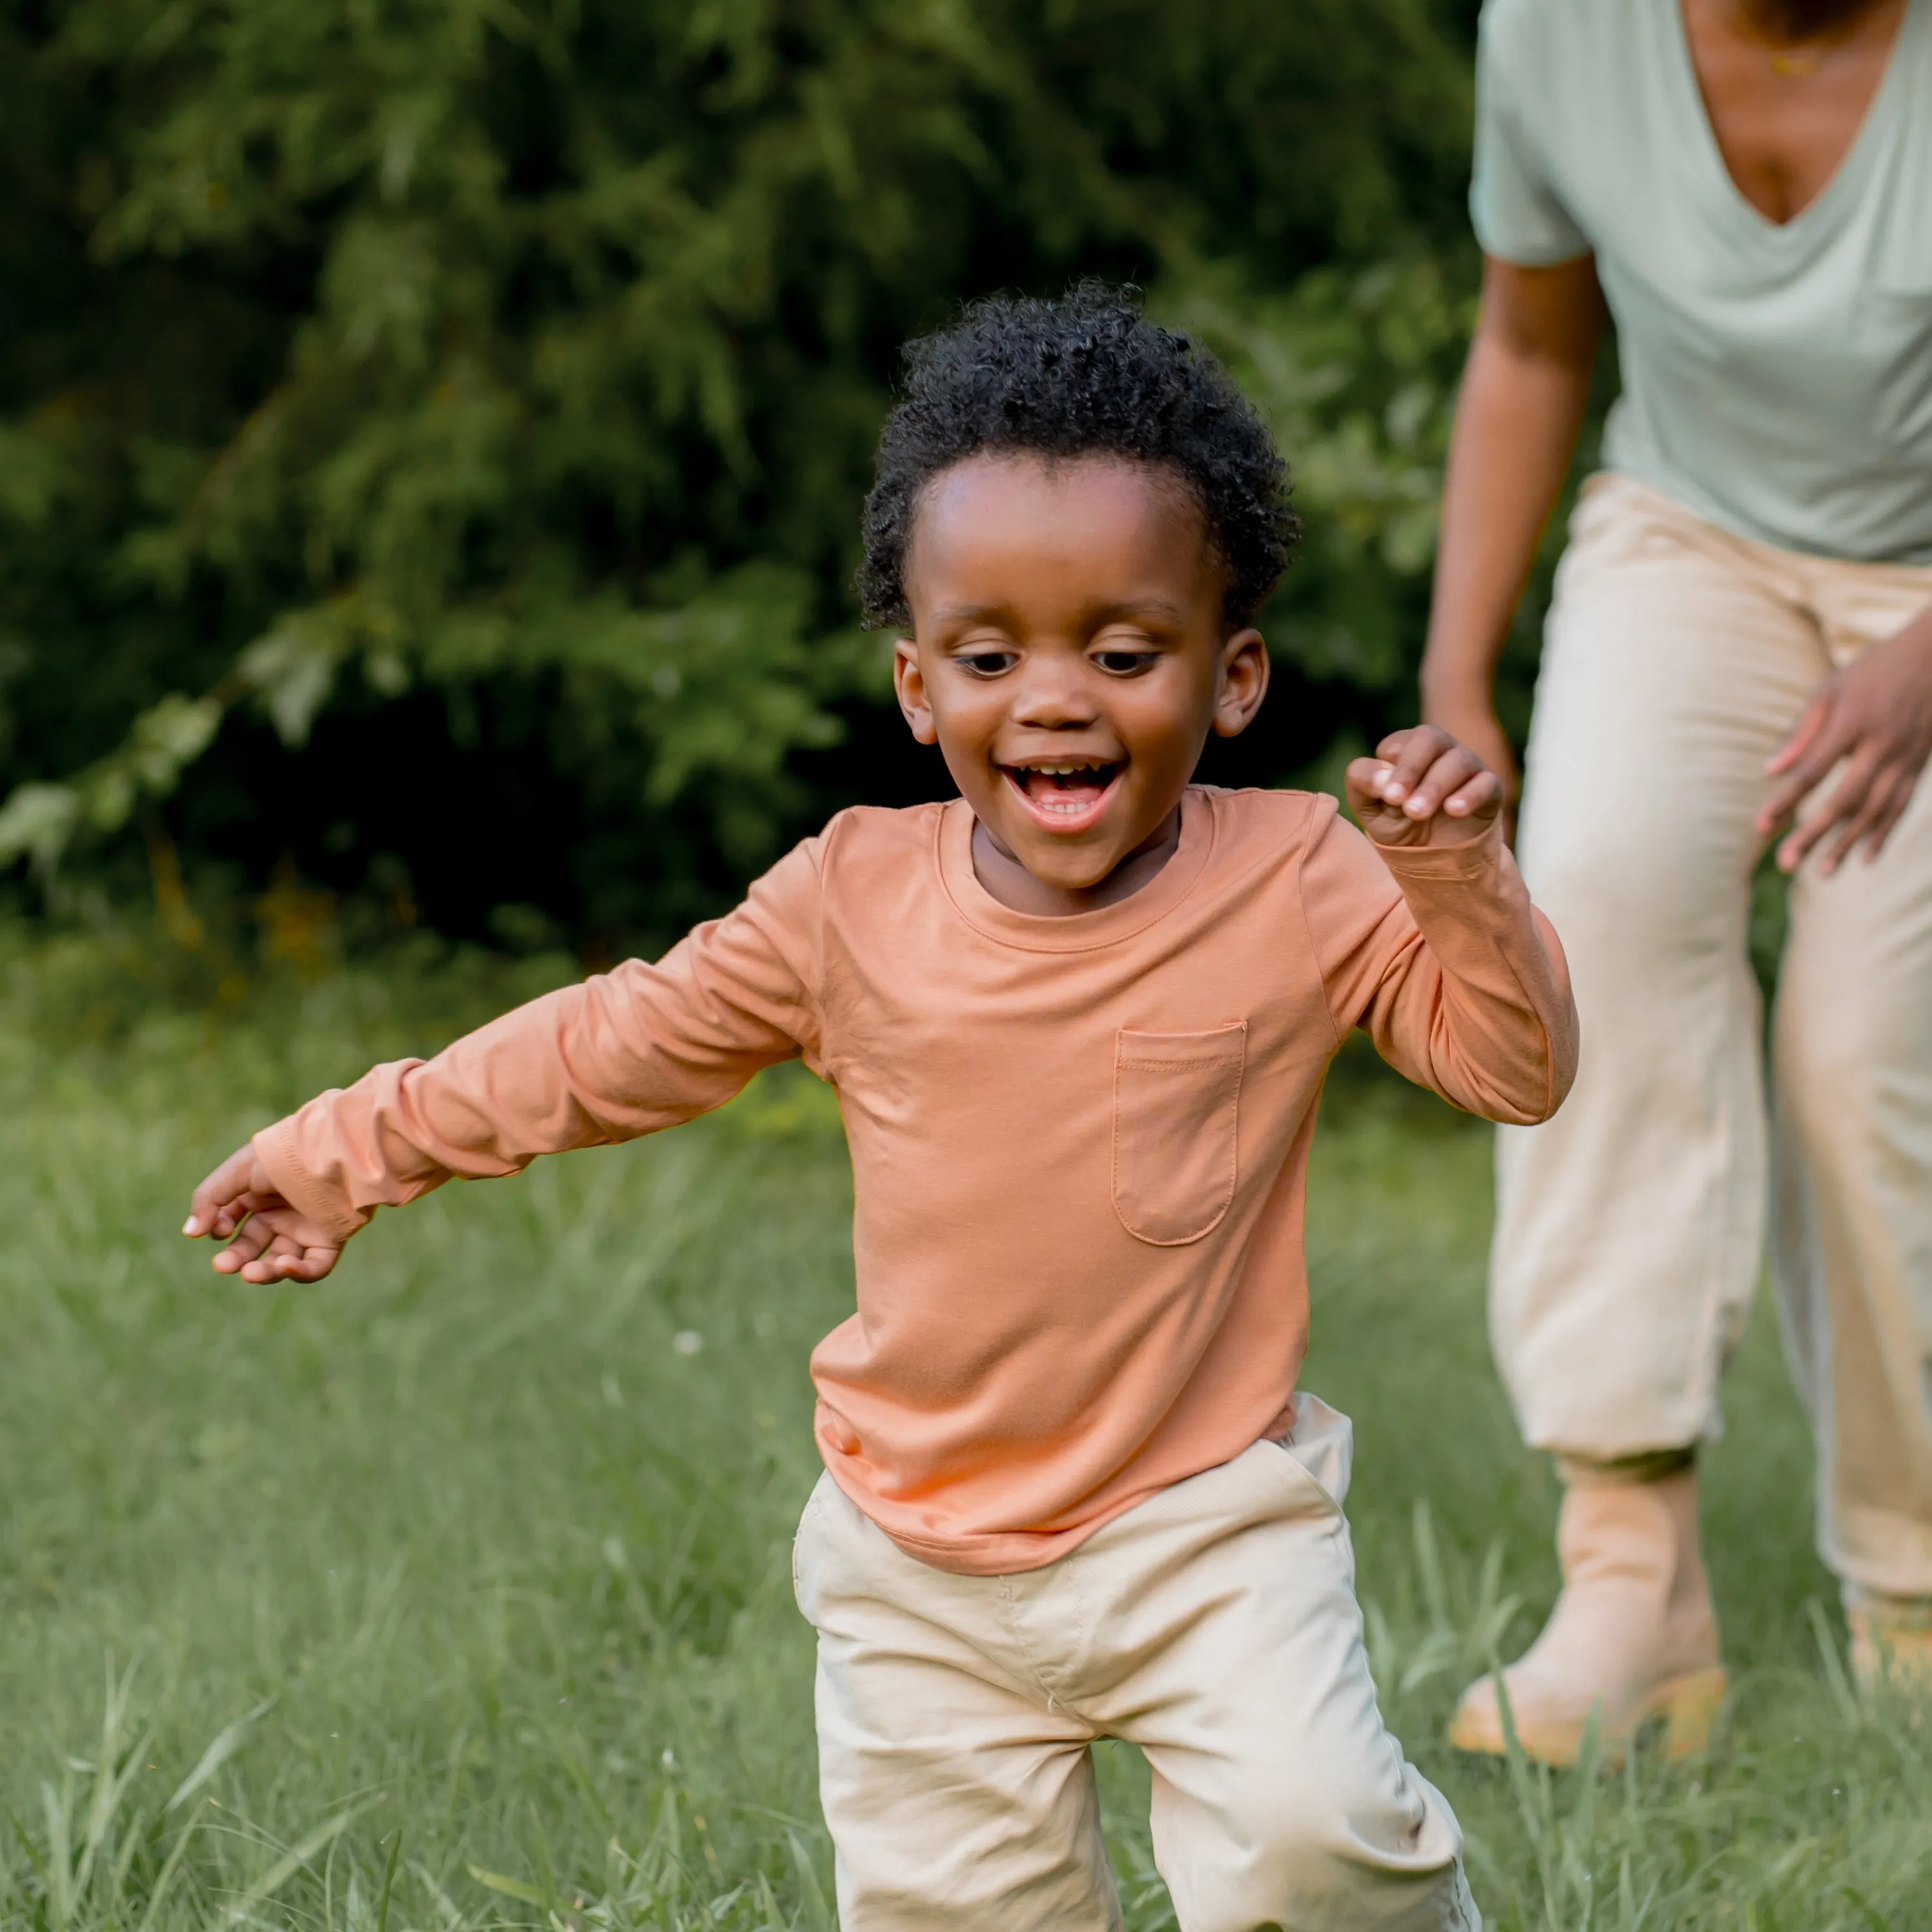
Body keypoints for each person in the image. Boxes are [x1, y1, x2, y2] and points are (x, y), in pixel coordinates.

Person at [184, 289, 1576, 1931]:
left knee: (1315, 1839)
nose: (1053, 698)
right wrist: (345, 1151)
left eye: (1123, 654)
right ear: (918, 687)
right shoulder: (846, 901)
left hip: (1210, 1532)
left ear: (1234, 675)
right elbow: (602, 1044)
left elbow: (1515, 1069)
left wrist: (1456, 873)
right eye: (991, 658)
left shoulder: (1301, 877)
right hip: (918, 1571)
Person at [1421, 0, 1932, 1767]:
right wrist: (1455, 679)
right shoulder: (1560, 30)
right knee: (1598, 915)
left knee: (1867, 1054)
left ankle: (1918, 1594)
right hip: (1692, 535)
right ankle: (1634, 1583)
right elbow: (1534, 345)